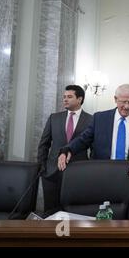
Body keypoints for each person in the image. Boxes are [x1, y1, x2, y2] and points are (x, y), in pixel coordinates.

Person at [58, 84, 129, 209]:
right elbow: (83, 140)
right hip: (102, 178)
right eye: (123, 102)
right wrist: (67, 149)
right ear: (115, 99)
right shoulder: (100, 118)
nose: (127, 106)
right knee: (101, 218)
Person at [37, 85, 92, 213]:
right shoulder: (54, 118)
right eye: (64, 97)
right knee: (50, 211)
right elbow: (44, 144)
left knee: (73, 212)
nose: (65, 100)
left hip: (78, 172)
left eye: (69, 97)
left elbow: (94, 147)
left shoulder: (91, 120)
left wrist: (90, 170)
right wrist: (42, 167)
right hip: (51, 173)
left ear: (79, 99)